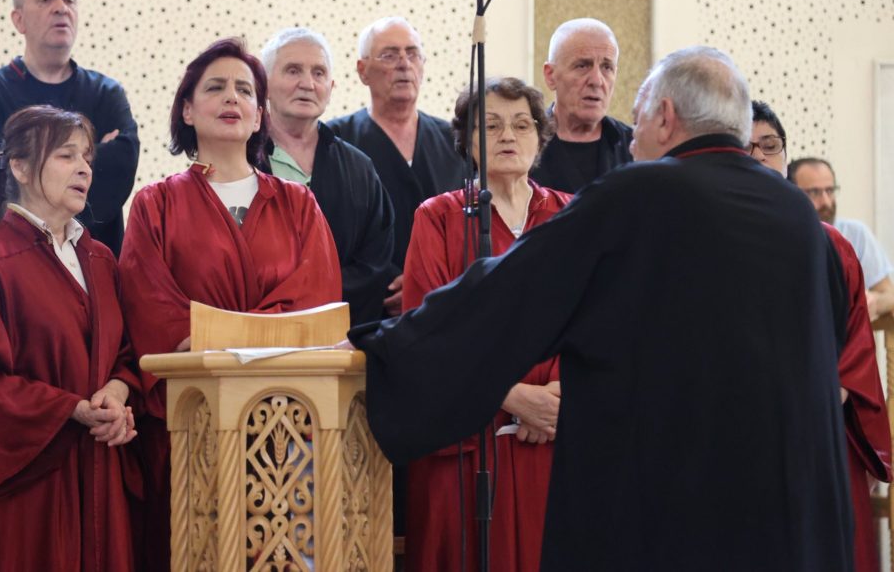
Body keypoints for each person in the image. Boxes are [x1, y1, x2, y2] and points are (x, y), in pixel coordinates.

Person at [348, 46, 855, 571]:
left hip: (680, 495)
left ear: (666, 117)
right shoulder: (796, 212)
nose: (629, 139)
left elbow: (518, 289)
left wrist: (390, 344)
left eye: (637, 119)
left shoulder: (641, 194)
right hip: (792, 503)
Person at [118, 37, 342, 572]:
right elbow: (154, 308)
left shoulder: (298, 202)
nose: (231, 97)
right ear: (187, 110)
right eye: (215, 87)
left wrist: (223, 334)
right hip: (194, 415)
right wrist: (258, 337)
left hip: (285, 416)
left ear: (260, 115)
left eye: (244, 90)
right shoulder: (156, 204)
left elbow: (314, 302)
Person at [0, 106, 139, 571]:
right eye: (66, 155)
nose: (84, 168)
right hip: (25, 485)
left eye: (87, 157)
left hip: (98, 472)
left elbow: (126, 354)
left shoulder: (101, 260)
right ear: (21, 168)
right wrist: (70, 409)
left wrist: (116, 393)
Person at [402, 77, 572, 572]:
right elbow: (425, 331)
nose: (507, 136)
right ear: (467, 140)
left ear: (540, 136)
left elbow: (602, 321)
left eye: (521, 124)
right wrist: (511, 396)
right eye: (491, 125)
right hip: (467, 438)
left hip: (557, 434)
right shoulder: (438, 218)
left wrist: (561, 396)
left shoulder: (572, 215)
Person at [751, 101, 891, 572]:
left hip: (822, 422)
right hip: (745, 429)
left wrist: (829, 394)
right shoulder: (708, 243)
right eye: (745, 147)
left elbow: (855, 341)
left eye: (770, 146)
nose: (759, 157)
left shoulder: (835, 244)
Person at [0, 0, 139, 255]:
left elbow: (118, 171)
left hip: (94, 257)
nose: (61, 8)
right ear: (19, 20)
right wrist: (96, 153)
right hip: (17, 256)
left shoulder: (106, 93)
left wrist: (39, 164)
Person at [329, 16, 463, 319]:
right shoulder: (335, 141)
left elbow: (469, 229)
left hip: (444, 308)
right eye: (389, 55)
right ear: (362, 70)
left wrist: (426, 284)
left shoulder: (456, 141)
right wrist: (383, 285)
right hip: (365, 312)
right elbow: (332, 235)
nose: (404, 64)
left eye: (412, 53)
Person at [260, 27, 395, 326]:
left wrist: (310, 302)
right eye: (293, 70)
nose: (307, 83)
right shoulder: (240, 161)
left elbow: (374, 265)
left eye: (318, 73)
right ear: (264, 84)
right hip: (254, 331)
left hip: (339, 335)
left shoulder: (359, 168)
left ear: (331, 88)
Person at [531, 18, 633, 193]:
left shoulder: (634, 147)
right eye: (582, 66)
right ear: (550, 75)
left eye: (607, 67)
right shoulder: (525, 147)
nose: (597, 80)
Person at [789, 156, 894, 322]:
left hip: (847, 336)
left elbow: (889, 294)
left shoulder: (855, 233)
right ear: (790, 194)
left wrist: (872, 301)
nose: (826, 202)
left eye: (830, 191)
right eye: (814, 193)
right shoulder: (781, 238)